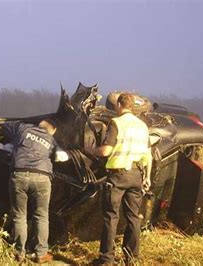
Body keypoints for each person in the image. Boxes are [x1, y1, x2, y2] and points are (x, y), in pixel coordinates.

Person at [87, 93, 152, 265]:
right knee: (133, 217)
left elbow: (107, 150)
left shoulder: (117, 123)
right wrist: (148, 177)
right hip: (137, 175)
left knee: (111, 216)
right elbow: (148, 155)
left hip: (118, 176)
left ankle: (106, 259)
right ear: (132, 106)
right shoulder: (143, 126)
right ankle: (130, 258)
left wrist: (92, 151)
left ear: (118, 105)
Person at [2, 118, 68, 263]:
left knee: (19, 216)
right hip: (41, 178)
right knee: (41, 216)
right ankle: (41, 253)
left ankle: (19, 253)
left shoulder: (23, 129)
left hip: (19, 174)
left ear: (39, 125)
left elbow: (6, 125)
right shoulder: (51, 140)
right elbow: (62, 157)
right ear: (53, 130)